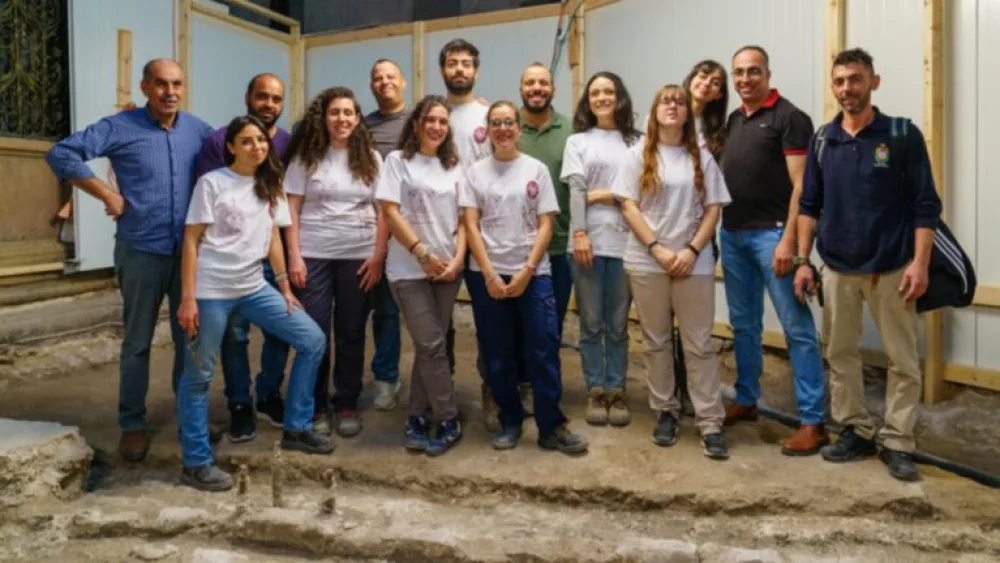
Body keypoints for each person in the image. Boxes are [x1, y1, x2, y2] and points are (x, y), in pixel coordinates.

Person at [44, 59, 214, 462]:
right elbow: (61, 154)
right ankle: (132, 424)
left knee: (189, 340)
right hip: (140, 251)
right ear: (145, 87)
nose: (170, 92)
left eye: (177, 84)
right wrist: (107, 194)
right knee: (137, 342)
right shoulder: (120, 127)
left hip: (189, 255)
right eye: (161, 84)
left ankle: (190, 418)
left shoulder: (199, 131)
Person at [795, 48, 941, 481]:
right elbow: (809, 205)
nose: (847, 88)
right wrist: (803, 260)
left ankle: (898, 441)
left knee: (903, 361)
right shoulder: (824, 139)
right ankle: (855, 430)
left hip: (891, 269)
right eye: (840, 81)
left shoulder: (900, 134)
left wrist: (920, 263)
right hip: (836, 269)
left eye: (856, 79)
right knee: (840, 354)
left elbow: (925, 205)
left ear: (873, 82)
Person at [176, 116, 332, 491]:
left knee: (312, 340)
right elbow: (191, 240)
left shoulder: (271, 184)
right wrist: (188, 298)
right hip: (211, 291)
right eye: (246, 141)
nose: (257, 147)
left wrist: (285, 288)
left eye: (261, 140)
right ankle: (195, 462)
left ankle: (297, 427)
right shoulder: (212, 183)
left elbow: (274, 238)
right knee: (199, 375)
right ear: (231, 147)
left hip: (254, 287)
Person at [460, 100, 588, 455]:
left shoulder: (536, 170)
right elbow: (470, 224)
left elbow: (547, 223)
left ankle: (551, 426)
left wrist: (528, 270)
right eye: (496, 122)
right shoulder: (475, 173)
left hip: (534, 273)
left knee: (543, 349)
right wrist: (489, 274)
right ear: (488, 129)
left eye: (508, 122)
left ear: (518, 129)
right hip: (488, 275)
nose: (503, 129)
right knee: (498, 352)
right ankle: (510, 420)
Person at [613, 84, 731, 460]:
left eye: (679, 101)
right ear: (654, 111)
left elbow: (713, 208)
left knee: (699, 344)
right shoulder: (636, 156)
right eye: (665, 101)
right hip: (647, 260)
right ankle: (665, 410)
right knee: (656, 340)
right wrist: (657, 249)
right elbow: (628, 207)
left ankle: (710, 422)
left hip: (693, 262)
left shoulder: (701, 157)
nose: (673, 106)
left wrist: (692, 249)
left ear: (686, 113)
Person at [720, 45, 828, 456]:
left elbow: (802, 185)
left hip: (773, 237)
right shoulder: (734, 119)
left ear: (767, 74)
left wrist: (789, 242)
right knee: (744, 325)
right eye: (739, 72)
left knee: (797, 329)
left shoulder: (789, 117)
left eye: (753, 71)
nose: (745, 79)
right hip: (733, 236)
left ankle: (812, 421)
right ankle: (747, 398)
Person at [193, 72, 292, 442]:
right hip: (229, 260)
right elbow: (209, 206)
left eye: (276, 99)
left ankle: (268, 394)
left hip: (271, 252)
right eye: (262, 96)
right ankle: (239, 404)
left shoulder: (287, 142)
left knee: (281, 327)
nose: (269, 104)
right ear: (248, 97)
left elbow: (281, 203)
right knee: (234, 336)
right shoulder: (218, 141)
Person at [284, 87, 385, 438]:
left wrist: (378, 255)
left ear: (357, 119)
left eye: (348, 113)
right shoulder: (305, 157)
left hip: (359, 255)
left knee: (351, 332)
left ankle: (346, 402)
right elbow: (291, 209)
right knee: (315, 333)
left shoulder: (372, 158)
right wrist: (294, 256)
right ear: (323, 118)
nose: (342, 119)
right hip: (313, 255)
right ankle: (315, 405)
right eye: (335, 112)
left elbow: (384, 211)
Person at [376, 95, 466, 456]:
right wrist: (422, 253)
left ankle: (416, 413)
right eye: (430, 119)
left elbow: (465, 219)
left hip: (447, 269)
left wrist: (457, 260)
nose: (436, 127)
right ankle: (448, 417)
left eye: (443, 121)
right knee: (430, 344)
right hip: (408, 269)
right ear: (416, 124)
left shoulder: (455, 166)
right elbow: (390, 211)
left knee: (432, 346)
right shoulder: (398, 161)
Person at [438, 38, 512, 429]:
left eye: (466, 63)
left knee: (491, 320)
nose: (459, 69)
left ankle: (495, 392)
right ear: (443, 70)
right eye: (453, 63)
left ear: (476, 71)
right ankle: (441, 391)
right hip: (442, 230)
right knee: (440, 321)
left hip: (485, 232)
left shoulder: (488, 115)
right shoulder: (432, 115)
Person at [562, 71, 640, 427]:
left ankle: (617, 389)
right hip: (587, 241)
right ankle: (596, 388)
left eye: (609, 91)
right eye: (595, 93)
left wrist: (606, 194)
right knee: (591, 323)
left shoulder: (638, 141)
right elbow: (577, 191)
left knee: (619, 324)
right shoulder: (578, 142)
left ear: (619, 96)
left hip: (629, 243)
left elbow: (642, 191)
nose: (602, 98)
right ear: (588, 101)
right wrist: (580, 233)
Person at [671, 60, 729, 417]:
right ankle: (669, 394)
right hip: (663, 235)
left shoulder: (719, 134)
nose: (707, 83)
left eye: (716, 82)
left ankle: (694, 393)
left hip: (701, 236)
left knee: (693, 327)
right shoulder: (664, 118)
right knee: (662, 325)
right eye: (703, 76)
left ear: (720, 94)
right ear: (691, 78)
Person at [517, 62, 574, 348]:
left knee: (551, 325)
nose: (536, 88)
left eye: (543, 83)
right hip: (514, 245)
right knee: (513, 325)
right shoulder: (507, 127)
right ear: (521, 89)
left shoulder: (571, 130)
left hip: (558, 245)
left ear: (553, 89)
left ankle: (545, 374)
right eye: (530, 83)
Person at [364, 58, 409, 411]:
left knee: (429, 316)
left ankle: (435, 380)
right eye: (378, 78)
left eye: (390, 76)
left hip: (414, 228)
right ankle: (386, 377)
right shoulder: (361, 127)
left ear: (403, 82)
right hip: (372, 229)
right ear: (372, 86)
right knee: (384, 310)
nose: (384, 82)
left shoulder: (418, 121)